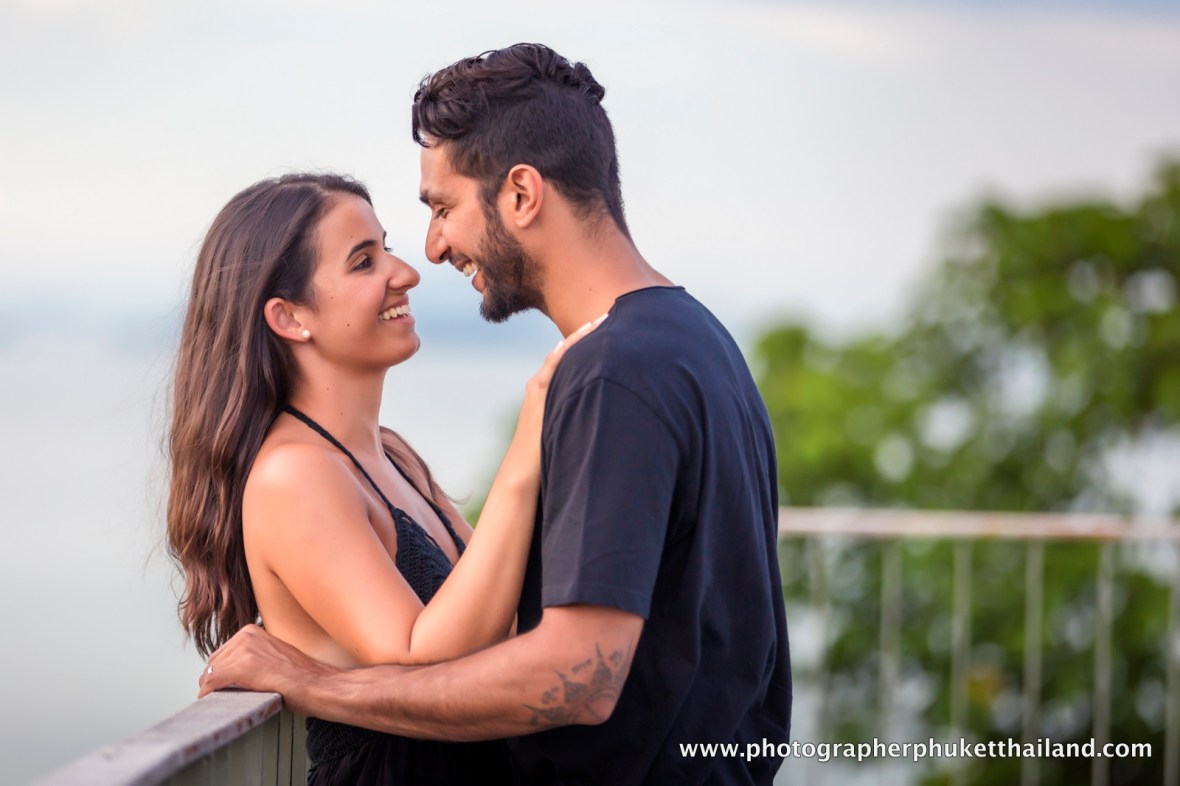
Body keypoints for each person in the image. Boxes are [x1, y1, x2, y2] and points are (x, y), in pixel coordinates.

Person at [200, 43, 792, 784]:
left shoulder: (613, 373)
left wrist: (313, 685)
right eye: (366, 258)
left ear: (521, 194)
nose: (427, 253)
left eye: (442, 208)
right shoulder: (694, 338)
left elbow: (575, 672)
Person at [168, 171, 600, 784]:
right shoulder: (295, 474)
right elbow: (417, 656)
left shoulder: (391, 455)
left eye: (386, 248)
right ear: (289, 317)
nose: (406, 272)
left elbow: (502, 620)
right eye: (364, 261)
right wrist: (527, 449)